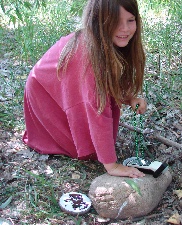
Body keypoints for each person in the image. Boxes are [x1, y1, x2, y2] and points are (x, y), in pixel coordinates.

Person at [22, 0, 146, 178]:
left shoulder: (107, 41)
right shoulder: (89, 57)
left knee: (95, 139)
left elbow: (108, 82)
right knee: (83, 148)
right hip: (45, 92)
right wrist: (112, 166)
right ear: (98, 21)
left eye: (130, 20)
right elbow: (97, 108)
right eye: (116, 21)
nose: (125, 28)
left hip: (64, 82)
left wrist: (128, 97)